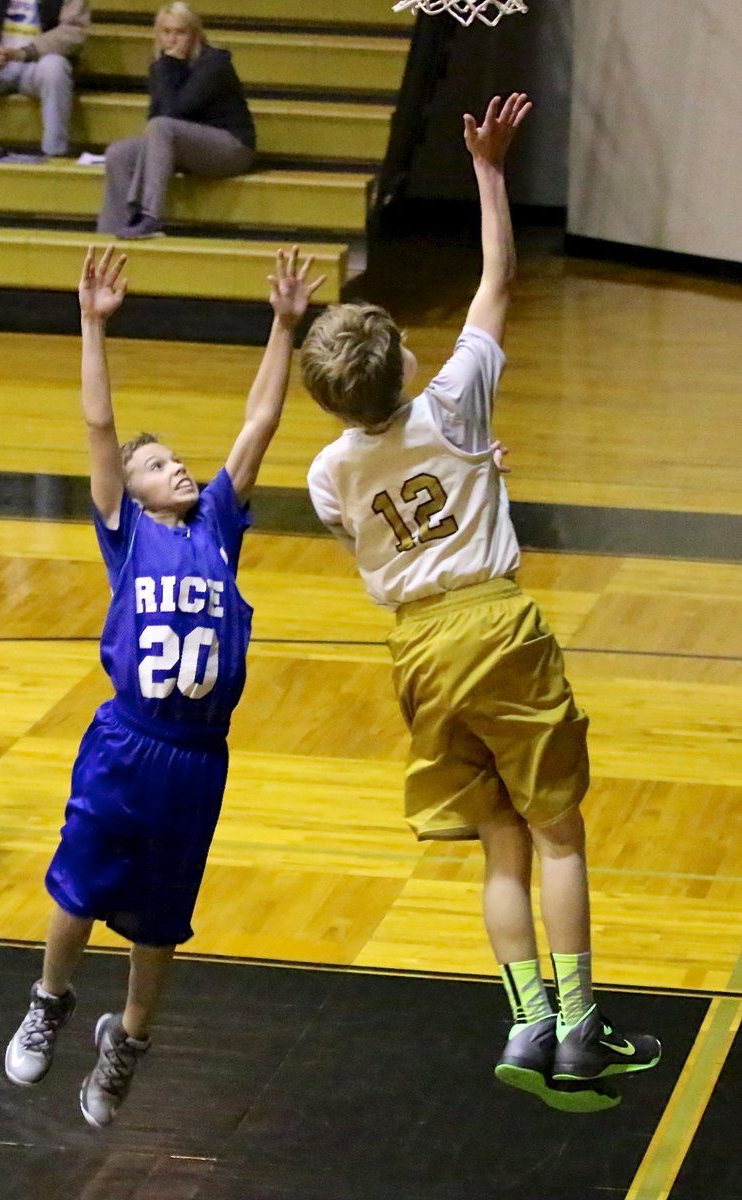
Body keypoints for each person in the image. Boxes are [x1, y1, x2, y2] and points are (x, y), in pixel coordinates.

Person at [301, 94, 661, 1113]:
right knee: (556, 832)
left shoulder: (329, 471)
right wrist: (489, 171)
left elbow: (376, 524)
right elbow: (497, 278)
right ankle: (584, 1029)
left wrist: (470, 480)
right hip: (493, 625)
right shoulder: (453, 400)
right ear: (402, 366)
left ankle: (525, 1017)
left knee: (497, 839)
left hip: (415, 650)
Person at [4, 242, 324, 1128]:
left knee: (159, 921)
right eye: (158, 466)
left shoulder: (219, 524)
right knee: (77, 891)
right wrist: (91, 327)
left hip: (194, 756)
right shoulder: (127, 534)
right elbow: (100, 430)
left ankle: (127, 1046)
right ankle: (51, 999)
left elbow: (258, 424)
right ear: (132, 494)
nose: (175, 467)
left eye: (178, 460)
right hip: (126, 741)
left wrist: (283, 328)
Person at [97, 1, 255, 240]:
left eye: (180, 32)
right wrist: (166, 67)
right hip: (185, 145)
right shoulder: (161, 66)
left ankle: (150, 217)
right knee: (118, 153)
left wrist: (169, 66)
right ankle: (110, 233)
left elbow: (176, 112)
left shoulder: (214, 63)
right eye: (166, 32)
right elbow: (154, 117)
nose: (172, 40)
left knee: (161, 127)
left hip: (231, 148)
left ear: (195, 35)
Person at [0, 0, 89, 157]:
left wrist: (27, 52)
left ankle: (55, 152)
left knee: (55, 67)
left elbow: (74, 31)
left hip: (38, 63)